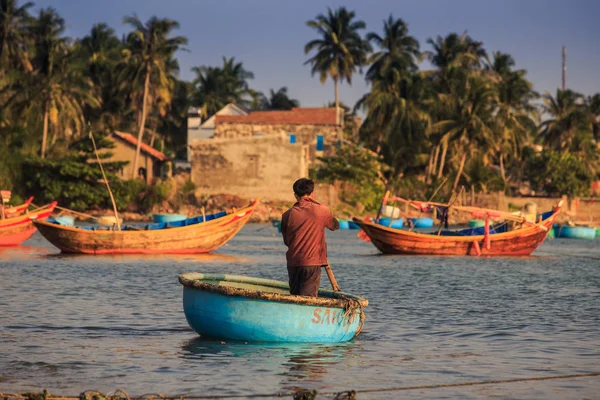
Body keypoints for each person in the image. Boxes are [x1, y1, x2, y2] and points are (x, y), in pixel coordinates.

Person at [281, 178, 339, 297]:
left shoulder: (287, 215)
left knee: (295, 297)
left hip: (293, 262)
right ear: (312, 193)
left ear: (295, 195)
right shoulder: (321, 210)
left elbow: (287, 241)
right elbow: (335, 225)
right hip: (312, 262)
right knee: (307, 299)